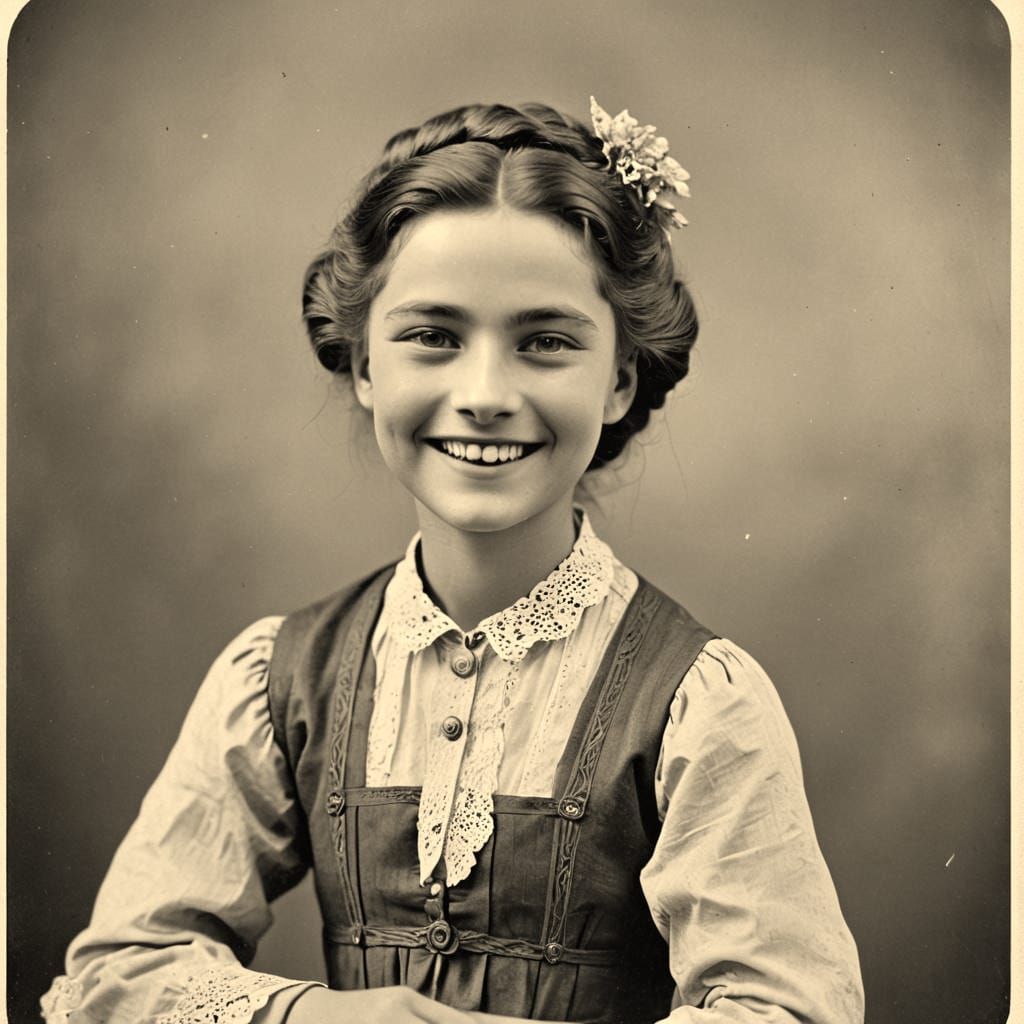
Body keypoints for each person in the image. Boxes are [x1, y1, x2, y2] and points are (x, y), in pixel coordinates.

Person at [41, 98, 864, 1024]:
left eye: (545, 343)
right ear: (362, 365)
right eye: (433, 336)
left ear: (622, 377)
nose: (483, 395)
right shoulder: (280, 678)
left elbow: (788, 1010)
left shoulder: (699, 704)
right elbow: (121, 972)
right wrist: (326, 1018)